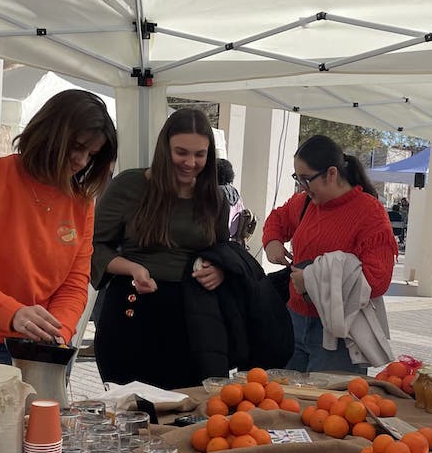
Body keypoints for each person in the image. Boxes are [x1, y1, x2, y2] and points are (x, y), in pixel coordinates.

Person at [94, 109, 290, 387]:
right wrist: (133, 268)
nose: (190, 162)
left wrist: (219, 270)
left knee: (186, 408)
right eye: (181, 152)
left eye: (200, 155)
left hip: (195, 319)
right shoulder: (129, 185)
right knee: (130, 407)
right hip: (132, 310)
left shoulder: (214, 198)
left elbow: (221, 249)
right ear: (164, 149)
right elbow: (94, 247)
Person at [0, 90, 116, 365]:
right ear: (50, 133)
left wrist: (58, 332)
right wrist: (13, 313)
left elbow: (75, 283)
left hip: (43, 347)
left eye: (91, 154)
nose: (82, 161)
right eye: (77, 147)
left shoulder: (81, 203)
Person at [262, 135, 398, 373]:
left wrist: (313, 279)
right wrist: (272, 241)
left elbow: (377, 280)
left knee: (327, 407)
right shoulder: (305, 203)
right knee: (284, 402)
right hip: (293, 321)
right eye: (298, 178)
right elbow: (277, 219)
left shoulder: (369, 213)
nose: (301, 187)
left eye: (306, 179)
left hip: (338, 334)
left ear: (332, 173)